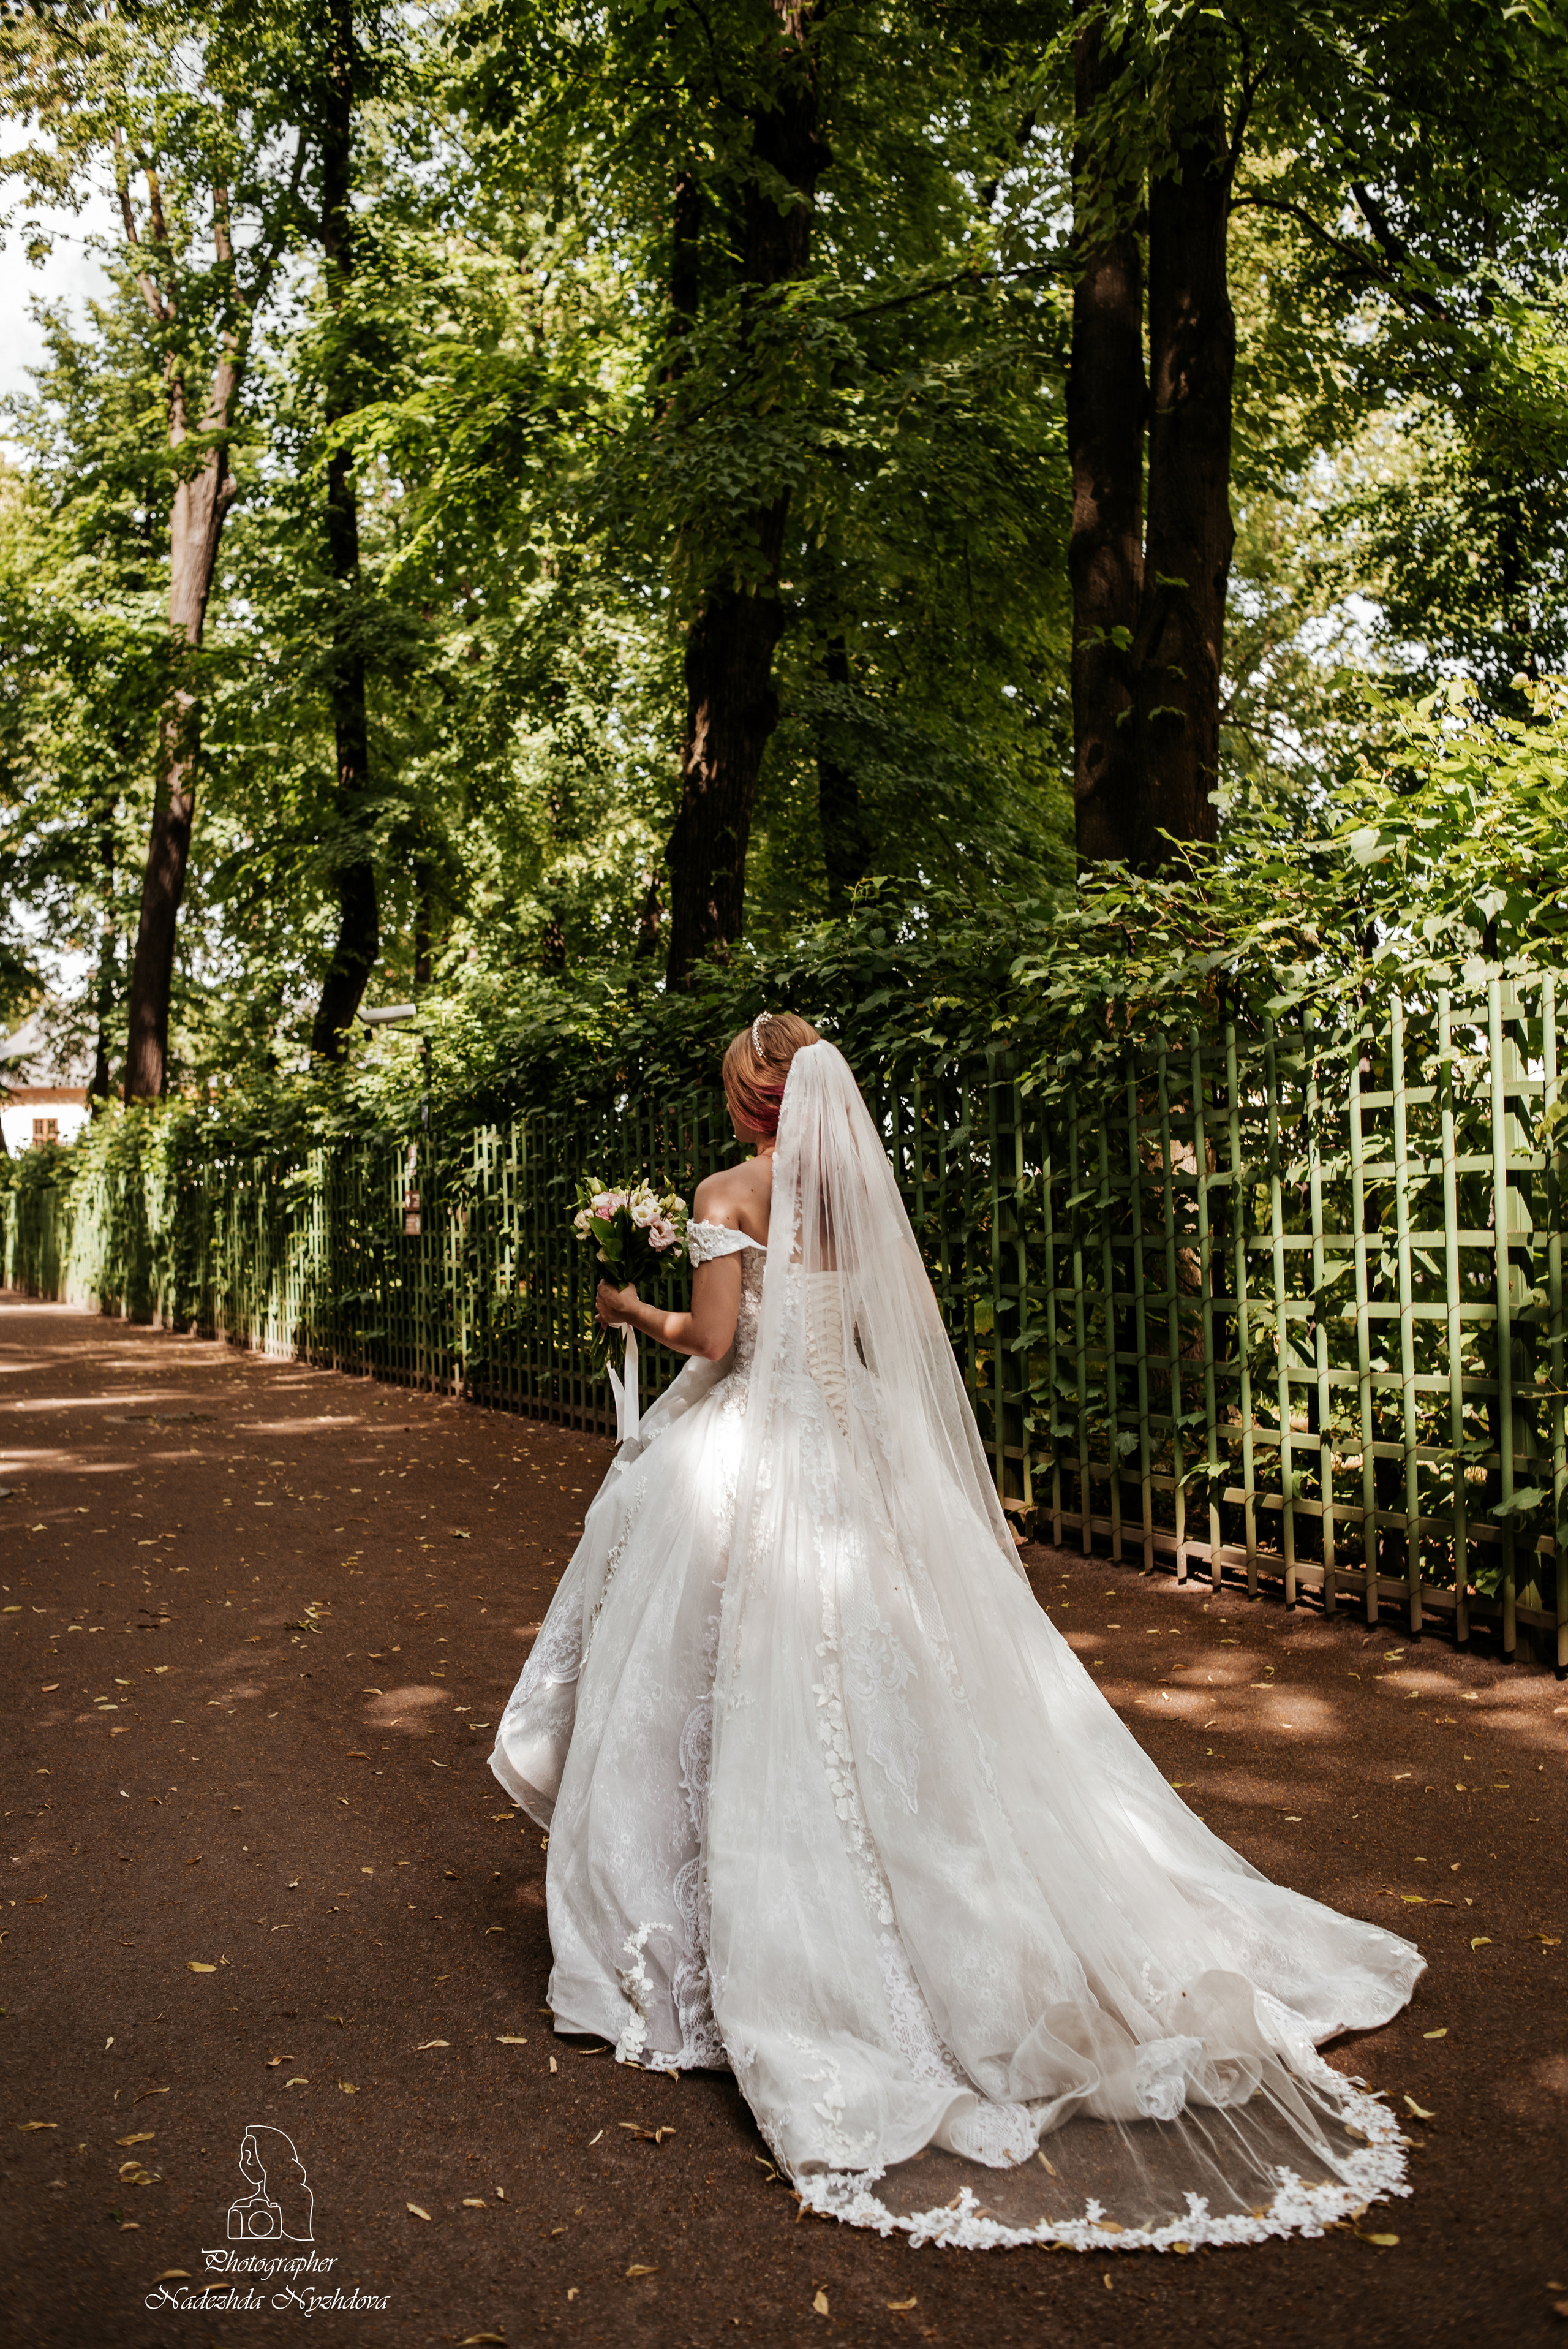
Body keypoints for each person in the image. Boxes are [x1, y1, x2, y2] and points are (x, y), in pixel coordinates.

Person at [491, 1017, 1423, 2251]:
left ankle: (711, 1942)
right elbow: (865, 1338)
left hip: (749, 1459)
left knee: (705, 1684)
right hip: (857, 1441)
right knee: (909, 1689)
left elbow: (717, 1344)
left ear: (750, 1102)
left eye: (734, 1089)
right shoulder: (849, 1192)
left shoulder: (726, 1191)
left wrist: (631, 1306)